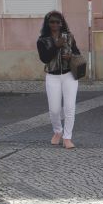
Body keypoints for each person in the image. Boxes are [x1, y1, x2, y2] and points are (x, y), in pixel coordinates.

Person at [36, 11, 80, 150]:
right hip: (52, 76)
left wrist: (71, 56)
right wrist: (56, 46)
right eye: (52, 22)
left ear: (61, 23)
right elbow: (44, 59)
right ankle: (57, 131)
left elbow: (77, 53)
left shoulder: (69, 37)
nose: (55, 24)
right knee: (54, 110)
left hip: (69, 75)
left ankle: (67, 137)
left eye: (57, 22)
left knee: (69, 107)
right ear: (47, 23)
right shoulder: (42, 40)